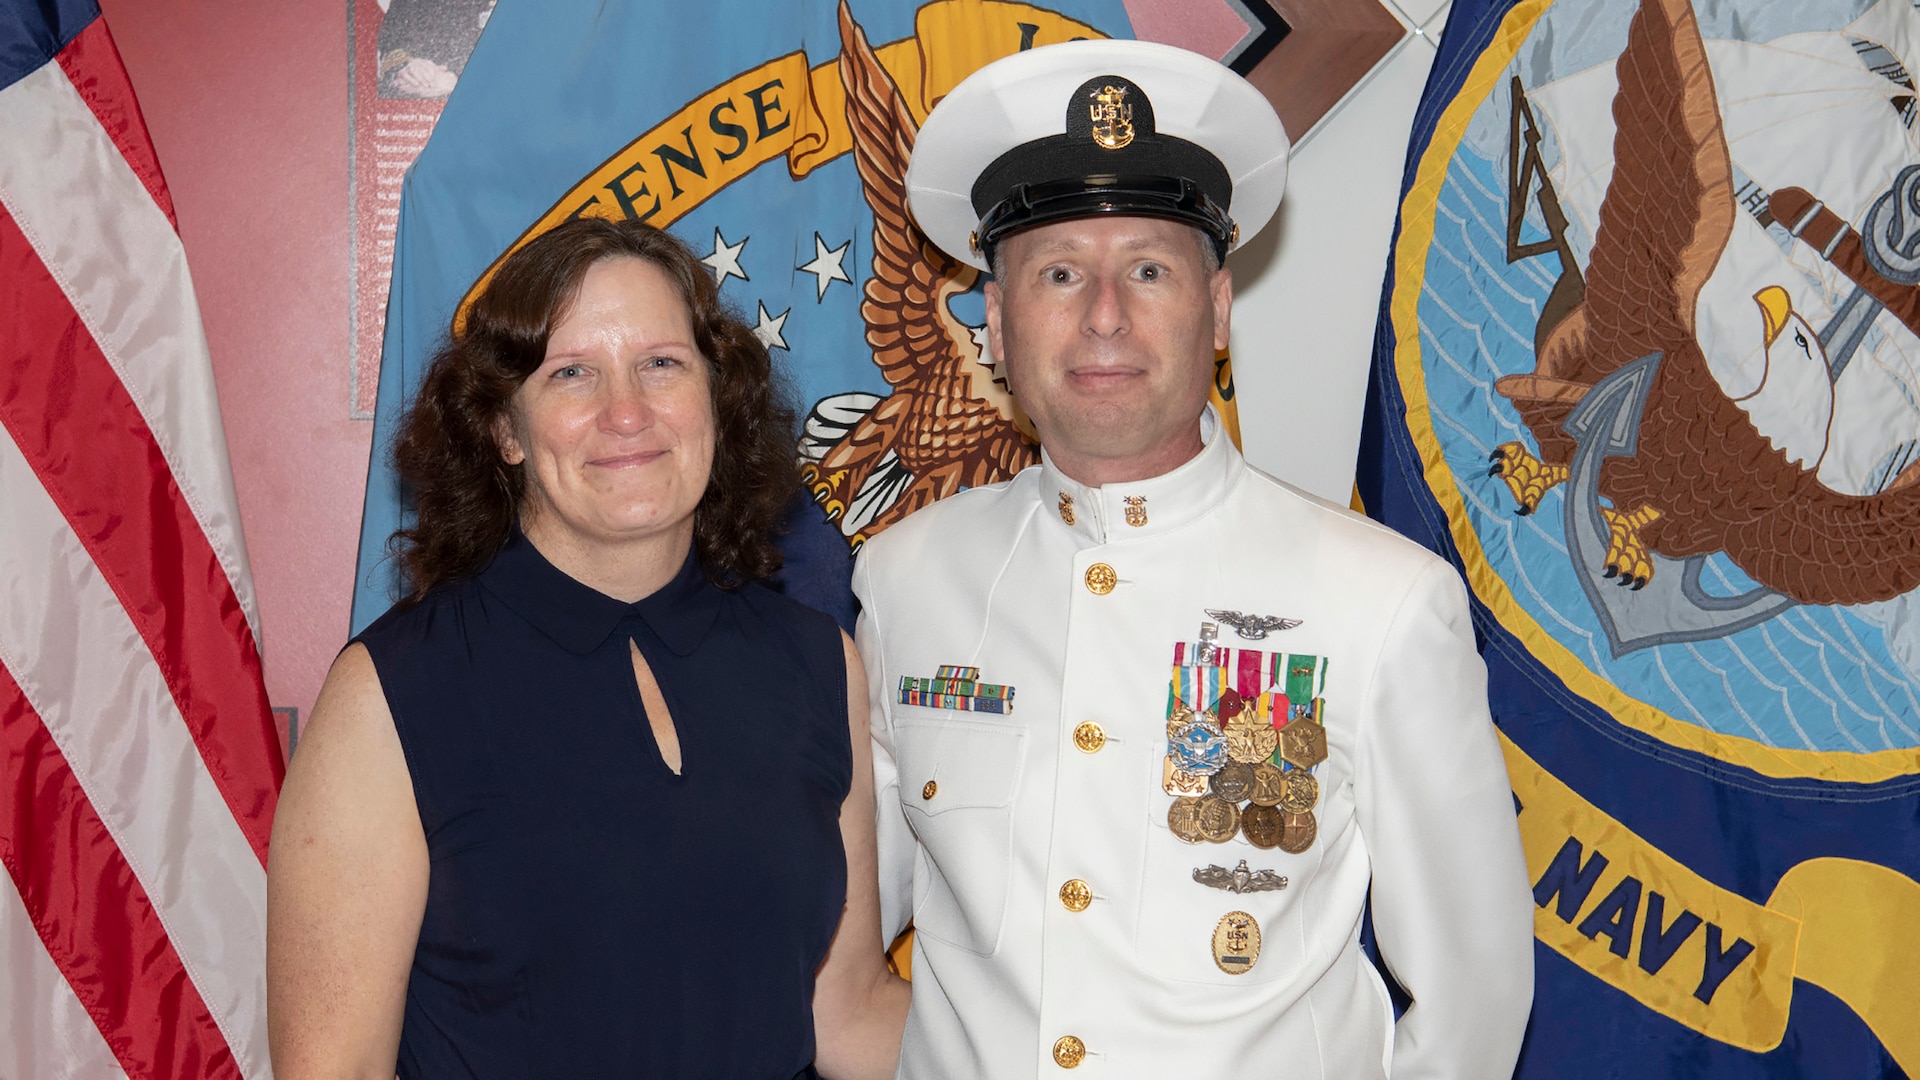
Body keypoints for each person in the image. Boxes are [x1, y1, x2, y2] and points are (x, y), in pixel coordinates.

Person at [854, 39, 1534, 1078]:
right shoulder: (906, 579)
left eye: (1151, 269)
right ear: (994, 321)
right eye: (1060, 272)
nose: (1106, 315)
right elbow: (847, 922)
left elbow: (1472, 1005)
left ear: (1217, 312)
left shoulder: (1382, 603)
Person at [267, 217, 908, 1078]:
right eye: (572, 372)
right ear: (505, 430)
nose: (627, 412)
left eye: (662, 364)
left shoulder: (818, 664)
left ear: (716, 396)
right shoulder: (394, 691)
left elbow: (850, 1015)